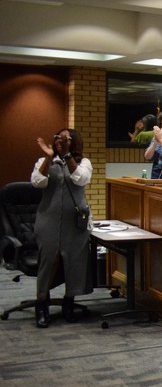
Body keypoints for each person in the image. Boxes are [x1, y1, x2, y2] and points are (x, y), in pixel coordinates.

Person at [30, 128, 93, 328]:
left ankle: (69, 304)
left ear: (74, 142)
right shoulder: (45, 162)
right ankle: (41, 305)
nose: (60, 141)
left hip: (75, 223)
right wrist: (49, 159)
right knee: (49, 261)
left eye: (65, 139)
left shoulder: (83, 163)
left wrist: (67, 156)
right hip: (48, 221)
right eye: (58, 138)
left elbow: (81, 179)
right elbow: (37, 183)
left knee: (74, 262)